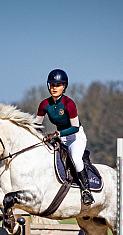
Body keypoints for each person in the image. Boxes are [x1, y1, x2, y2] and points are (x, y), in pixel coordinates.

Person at [35, 69, 94, 205]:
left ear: (64, 86)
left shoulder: (69, 103)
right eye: (52, 85)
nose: (54, 88)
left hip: (75, 137)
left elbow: (74, 127)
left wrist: (57, 134)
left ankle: (86, 191)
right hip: (61, 137)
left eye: (58, 85)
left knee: (75, 159)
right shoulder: (44, 104)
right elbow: (36, 124)